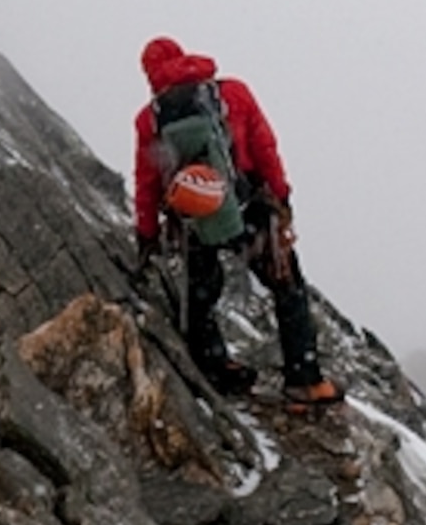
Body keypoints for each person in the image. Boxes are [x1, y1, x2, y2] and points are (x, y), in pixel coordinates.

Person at [132, 37, 341, 406]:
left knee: (201, 294)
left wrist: (147, 233)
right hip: (247, 208)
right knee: (286, 285)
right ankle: (304, 380)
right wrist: (281, 196)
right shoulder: (232, 94)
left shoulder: (150, 120)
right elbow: (265, 148)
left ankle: (217, 370)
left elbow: (147, 182)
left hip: (193, 220)